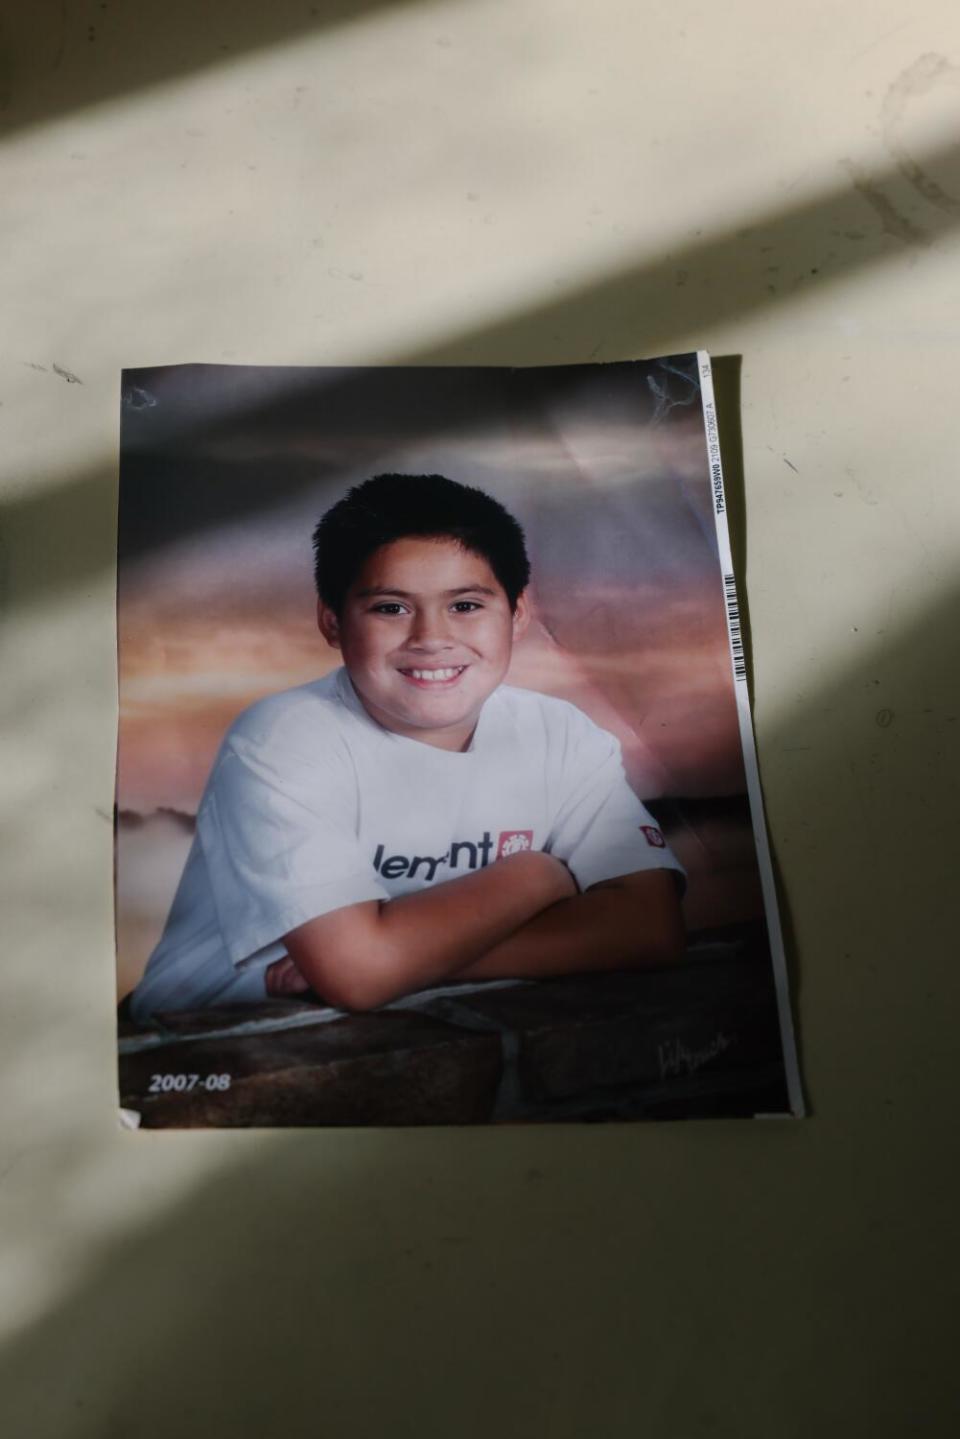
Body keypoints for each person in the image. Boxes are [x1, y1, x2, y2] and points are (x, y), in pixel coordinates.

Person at [129, 474, 685, 1022]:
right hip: (203, 1036)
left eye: (465, 605)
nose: (430, 637)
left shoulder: (558, 732)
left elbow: (649, 927)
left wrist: (405, 959)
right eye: (391, 608)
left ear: (517, 615)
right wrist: (538, 875)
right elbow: (359, 977)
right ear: (332, 621)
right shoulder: (283, 738)